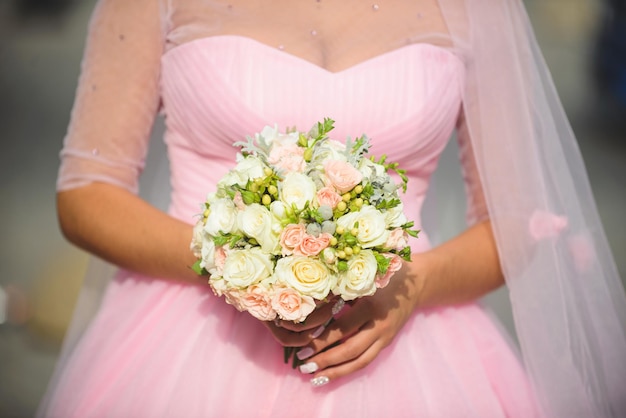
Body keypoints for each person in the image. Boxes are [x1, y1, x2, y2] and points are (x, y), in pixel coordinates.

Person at [39, 0, 626, 416]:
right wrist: (241, 266)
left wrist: (413, 286)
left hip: (406, 344)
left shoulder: (477, 8)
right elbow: (88, 193)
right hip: (188, 335)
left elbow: (515, 219)